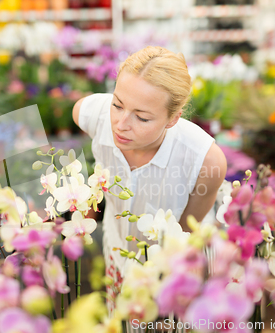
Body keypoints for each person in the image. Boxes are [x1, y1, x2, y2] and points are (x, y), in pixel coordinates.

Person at [72, 46, 227, 314]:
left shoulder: (204, 161)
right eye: (117, 104)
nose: (120, 124)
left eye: (142, 117)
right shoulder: (91, 114)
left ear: (173, 118)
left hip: (171, 267)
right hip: (116, 249)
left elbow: (185, 236)